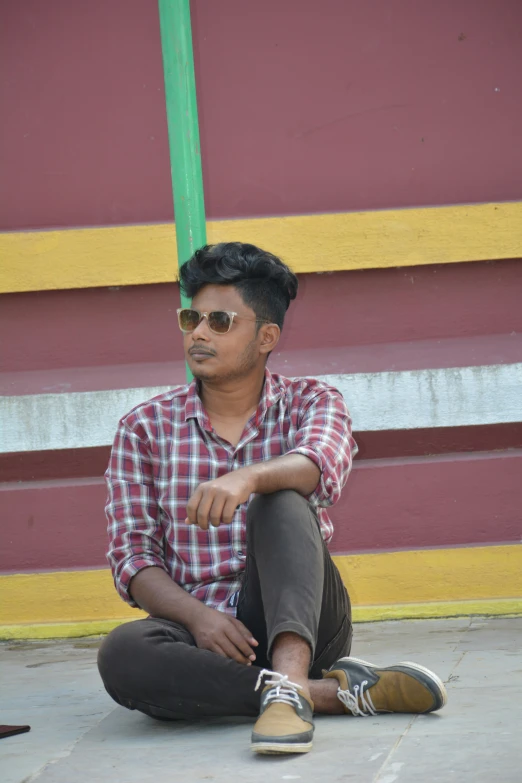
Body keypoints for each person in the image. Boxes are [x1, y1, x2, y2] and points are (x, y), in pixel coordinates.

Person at [98, 242, 446, 755]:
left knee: (281, 500)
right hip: (204, 636)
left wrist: (247, 479)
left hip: (306, 621)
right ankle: (326, 695)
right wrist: (198, 618)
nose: (197, 332)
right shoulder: (144, 428)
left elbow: (320, 466)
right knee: (123, 654)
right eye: (191, 317)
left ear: (266, 337)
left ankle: (289, 680)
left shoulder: (312, 401)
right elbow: (132, 557)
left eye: (220, 321)